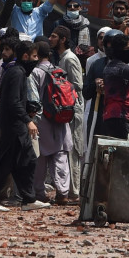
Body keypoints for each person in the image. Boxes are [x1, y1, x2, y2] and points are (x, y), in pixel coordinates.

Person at [0, 40, 51, 212]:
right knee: (25, 161)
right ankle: (1, 200)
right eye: (34, 56)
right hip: (15, 127)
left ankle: (24, 199)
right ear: (25, 56)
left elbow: (12, 100)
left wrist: (28, 108)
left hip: (12, 125)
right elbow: (12, 102)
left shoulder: (17, 72)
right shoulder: (17, 73)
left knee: (13, 163)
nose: (36, 60)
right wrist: (27, 120)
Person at [27, 41, 75, 203]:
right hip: (62, 119)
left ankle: (39, 193)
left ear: (37, 54)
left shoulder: (34, 72)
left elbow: (34, 99)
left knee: (40, 158)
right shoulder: (59, 71)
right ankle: (63, 192)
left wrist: (32, 119)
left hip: (42, 121)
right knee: (60, 156)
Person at [49, 26, 84, 201]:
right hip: (64, 109)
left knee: (73, 149)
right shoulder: (61, 58)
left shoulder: (70, 59)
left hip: (72, 109)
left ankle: (74, 191)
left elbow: (78, 85)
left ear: (63, 39)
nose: (50, 39)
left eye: (54, 36)